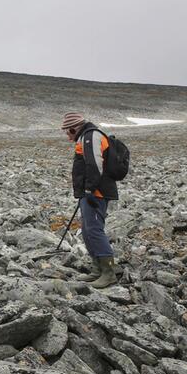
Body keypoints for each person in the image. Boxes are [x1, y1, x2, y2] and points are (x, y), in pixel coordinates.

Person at [63, 112, 118, 288]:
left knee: (94, 230)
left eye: (67, 131)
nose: (67, 135)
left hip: (96, 193)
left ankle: (109, 273)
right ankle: (98, 270)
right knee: (87, 230)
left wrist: (89, 189)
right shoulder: (85, 137)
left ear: (74, 128)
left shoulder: (91, 136)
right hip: (90, 192)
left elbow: (95, 164)